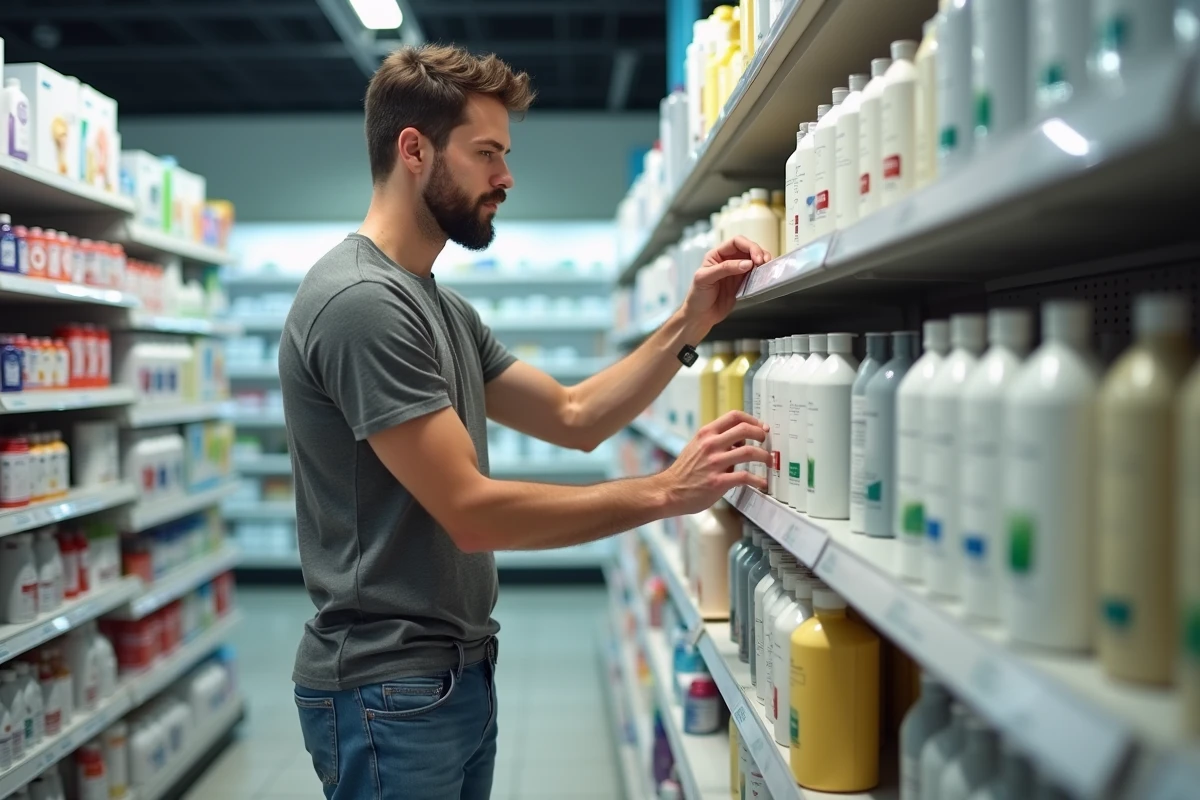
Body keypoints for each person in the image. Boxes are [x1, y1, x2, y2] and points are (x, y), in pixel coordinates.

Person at [281, 43, 773, 800]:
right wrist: (665, 492)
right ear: (414, 150)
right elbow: (471, 513)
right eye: (487, 154)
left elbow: (575, 416)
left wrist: (689, 322)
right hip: (390, 689)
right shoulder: (362, 304)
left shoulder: (440, 306)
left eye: (504, 156)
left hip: (451, 674)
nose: (506, 177)